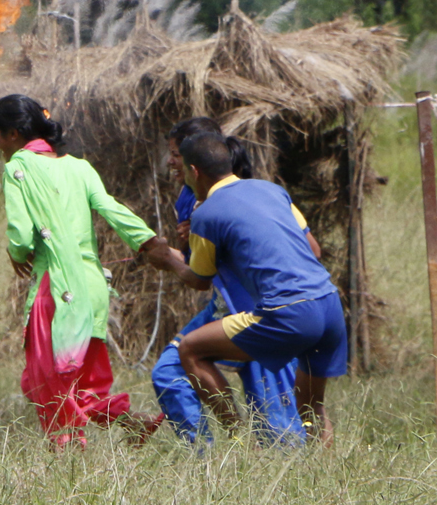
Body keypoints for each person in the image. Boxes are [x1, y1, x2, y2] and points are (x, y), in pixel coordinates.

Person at [142, 131, 348, 445]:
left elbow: (200, 279)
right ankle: (328, 476)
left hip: (287, 313)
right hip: (330, 305)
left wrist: (168, 259)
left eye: (182, 168)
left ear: (195, 171)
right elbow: (313, 248)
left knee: (190, 350)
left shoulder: (206, 214)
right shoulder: (271, 190)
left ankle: (242, 440)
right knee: (310, 409)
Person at [0, 94, 165, 449]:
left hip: (58, 289)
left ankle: (67, 456)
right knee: (84, 377)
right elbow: (112, 209)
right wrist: (149, 241)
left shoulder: (18, 167)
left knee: (45, 381)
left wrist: (16, 253)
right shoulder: (80, 167)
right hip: (93, 287)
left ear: (13, 134)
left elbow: (21, 235)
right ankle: (131, 422)